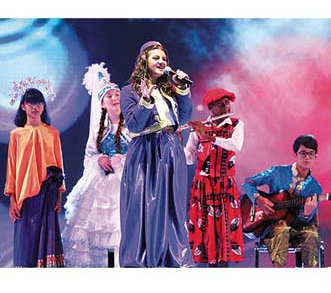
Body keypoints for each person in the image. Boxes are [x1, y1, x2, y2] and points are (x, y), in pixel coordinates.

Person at [119, 40, 194, 267]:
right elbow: (133, 125)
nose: (161, 62)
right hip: (146, 151)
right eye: (156, 58)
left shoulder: (168, 90)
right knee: (145, 205)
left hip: (171, 148)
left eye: (163, 58)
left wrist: (182, 89)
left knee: (173, 205)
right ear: (144, 61)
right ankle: (142, 259)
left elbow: (183, 119)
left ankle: (173, 257)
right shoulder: (128, 91)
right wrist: (146, 100)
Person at [62, 63, 130, 267]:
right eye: (109, 96)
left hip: (125, 181)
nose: (115, 99)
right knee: (104, 232)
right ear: (102, 103)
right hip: (102, 185)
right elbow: (89, 155)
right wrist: (98, 159)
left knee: (122, 228)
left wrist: (123, 160)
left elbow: (139, 152)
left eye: (116, 94)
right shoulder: (99, 130)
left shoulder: (130, 126)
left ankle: (126, 268)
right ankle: (108, 268)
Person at [4, 84, 66, 267]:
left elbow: (59, 165)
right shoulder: (16, 135)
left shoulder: (52, 133)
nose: (35, 106)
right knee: (25, 242)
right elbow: (12, 168)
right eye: (30, 102)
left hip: (48, 192)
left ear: (43, 106)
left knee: (47, 240)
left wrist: (59, 195)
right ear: (23, 106)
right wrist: (13, 199)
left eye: (38, 102)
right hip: (24, 194)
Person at [184, 88, 245, 267]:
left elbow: (236, 145)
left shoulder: (236, 124)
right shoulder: (199, 128)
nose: (226, 106)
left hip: (225, 183)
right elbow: (188, 157)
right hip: (203, 184)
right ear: (212, 108)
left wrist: (209, 137)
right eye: (221, 104)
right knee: (205, 231)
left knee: (225, 230)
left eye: (227, 102)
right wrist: (176, 141)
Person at [242, 134, 323, 267]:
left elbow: (305, 222)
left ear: (316, 156)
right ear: (295, 154)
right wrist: (259, 199)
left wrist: (307, 214)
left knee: (312, 234)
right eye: (303, 153)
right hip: (272, 226)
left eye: (311, 153)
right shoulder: (277, 172)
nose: (307, 157)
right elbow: (248, 183)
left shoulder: (315, 188)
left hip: (297, 228)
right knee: (281, 228)